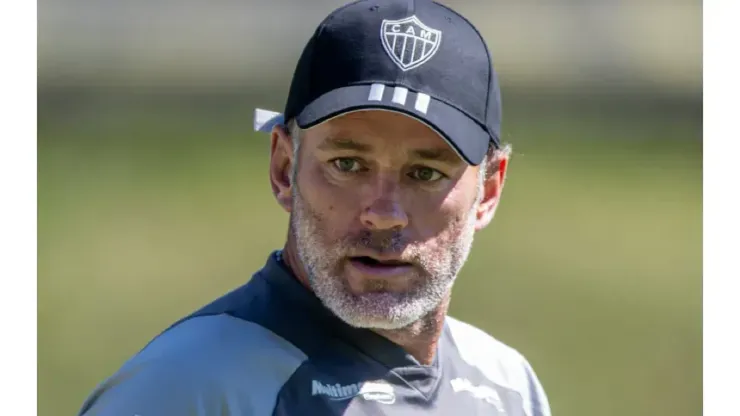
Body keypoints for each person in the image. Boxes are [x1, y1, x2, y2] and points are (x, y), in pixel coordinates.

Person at [78, 0, 551, 415]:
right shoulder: (189, 387)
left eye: (425, 173)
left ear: (488, 192)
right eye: (347, 164)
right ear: (285, 168)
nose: (384, 213)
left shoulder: (506, 387)